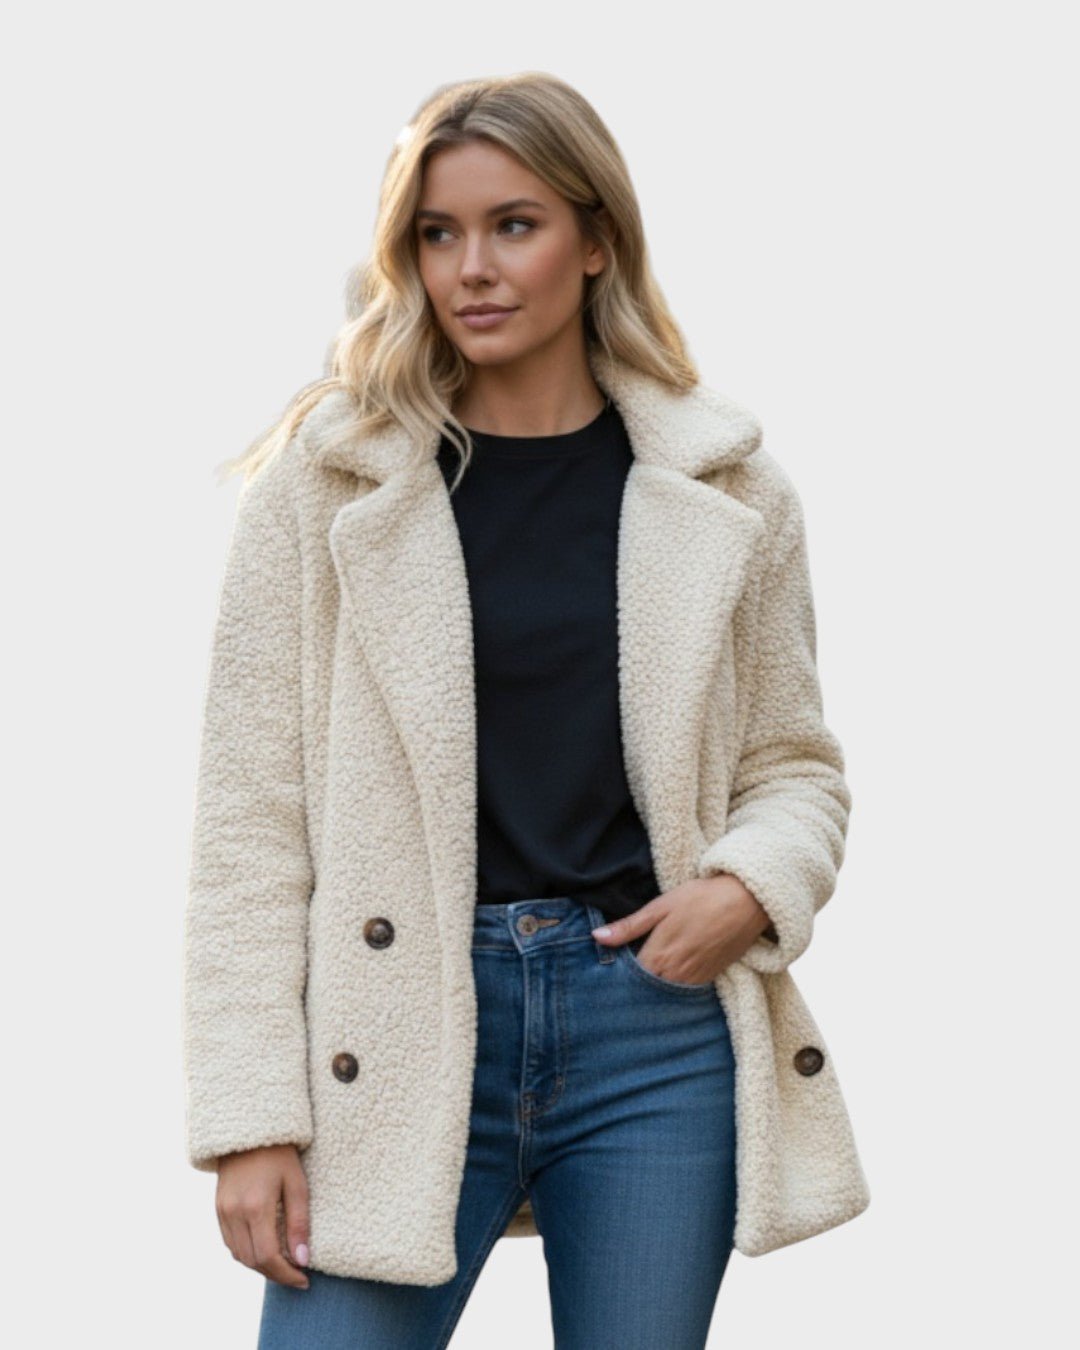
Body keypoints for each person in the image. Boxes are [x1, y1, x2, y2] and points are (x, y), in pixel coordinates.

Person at [182, 71, 870, 1350]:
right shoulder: (327, 488)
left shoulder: (724, 488)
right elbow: (249, 828)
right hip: (393, 1019)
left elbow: (794, 765)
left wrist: (748, 888)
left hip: (651, 1030)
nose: (472, 269)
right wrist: (250, 1119)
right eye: (437, 234)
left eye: (515, 225)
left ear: (595, 239)